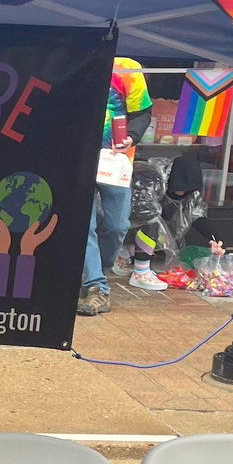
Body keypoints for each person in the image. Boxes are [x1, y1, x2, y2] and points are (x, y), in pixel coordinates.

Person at [79, 56, 156, 315]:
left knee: (117, 225)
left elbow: (142, 112)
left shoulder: (126, 68)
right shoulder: (71, 60)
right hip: (76, 159)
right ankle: (96, 287)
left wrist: (131, 136)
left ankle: (94, 273)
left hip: (116, 162)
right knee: (83, 224)